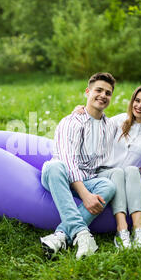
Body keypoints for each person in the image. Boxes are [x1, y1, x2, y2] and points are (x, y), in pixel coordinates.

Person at [73, 84, 141, 249]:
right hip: (103, 173)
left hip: (130, 176)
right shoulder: (119, 120)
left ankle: (139, 231)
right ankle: (122, 229)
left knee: (132, 170)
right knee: (118, 172)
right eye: (137, 101)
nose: (139, 106)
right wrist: (80, 109)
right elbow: (92, 125)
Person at [40, 72, 118, 259]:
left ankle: (60, 236)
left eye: (108, 93)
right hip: (59, 177)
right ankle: (83, 235)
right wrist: (86, 195)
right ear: (87, 92)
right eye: (98, 90)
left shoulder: (110, 126)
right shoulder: (71, 122)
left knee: (108, 186)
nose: (103, 95)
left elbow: (137, 121)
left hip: (88, 178)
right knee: (55, 166)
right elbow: (68, 161)